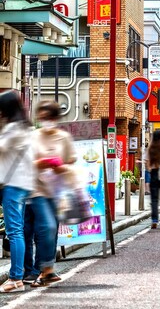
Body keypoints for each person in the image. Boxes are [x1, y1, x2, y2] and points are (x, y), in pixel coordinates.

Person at [25, 100, 77, 288]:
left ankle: (45, 271)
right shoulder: (33, 137)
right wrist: (42, 163)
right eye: (43, 117)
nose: (46, 120)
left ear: (56, 118)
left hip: (57, 191)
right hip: (36, 189)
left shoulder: (63, 137)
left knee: (51, 230)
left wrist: (59, 166)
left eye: (50, 117)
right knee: (46, 226)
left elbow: (71, 161)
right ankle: (46, 269)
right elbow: (25, 163)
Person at [0, 91, 35, 293]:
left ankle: (15, 278)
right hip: (22, 185)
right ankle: (17, 277)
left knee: (14, 232)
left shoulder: (14, 129)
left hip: (13, 186)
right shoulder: (26, 128)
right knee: (17, 231)